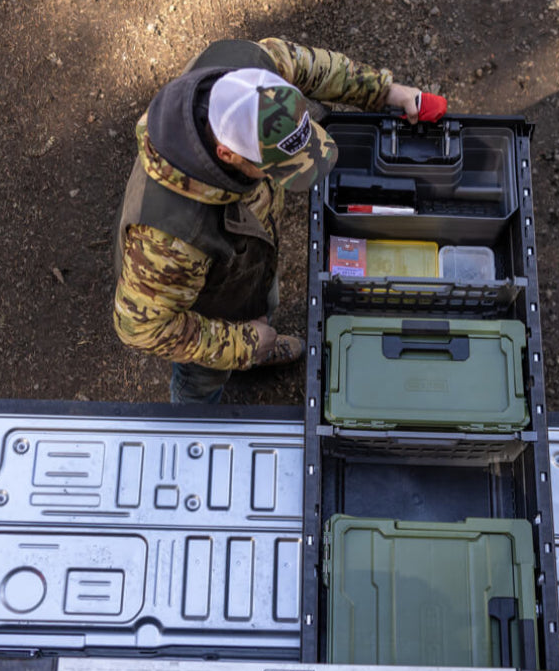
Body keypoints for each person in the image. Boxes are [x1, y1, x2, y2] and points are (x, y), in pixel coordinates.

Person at [113, 37, 425, 404]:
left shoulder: (249, 68)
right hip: (203, 307)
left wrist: (387, 91)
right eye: (274, 167)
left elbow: (313, 67)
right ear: (226, 154)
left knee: (264, 300)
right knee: (203, 381)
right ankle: (202, 416)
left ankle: (261, 342)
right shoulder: (171, 240)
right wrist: (241, 344)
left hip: (247, 257)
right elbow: (141, 326)